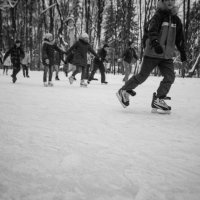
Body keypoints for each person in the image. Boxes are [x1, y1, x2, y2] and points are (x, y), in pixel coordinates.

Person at [116, 0, 187, 113]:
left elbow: (180, 39)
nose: (170, 2)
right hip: (153, 53)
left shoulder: (176, 20)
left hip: (166, 56)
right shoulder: (158, 16)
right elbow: (152, 31)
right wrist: (155, 43)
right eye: (167, 0)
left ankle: (158, 99)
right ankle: (124, 90)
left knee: (170, 77)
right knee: (142, 76)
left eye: (172, 0)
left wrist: (183, 54)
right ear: (162, 2)